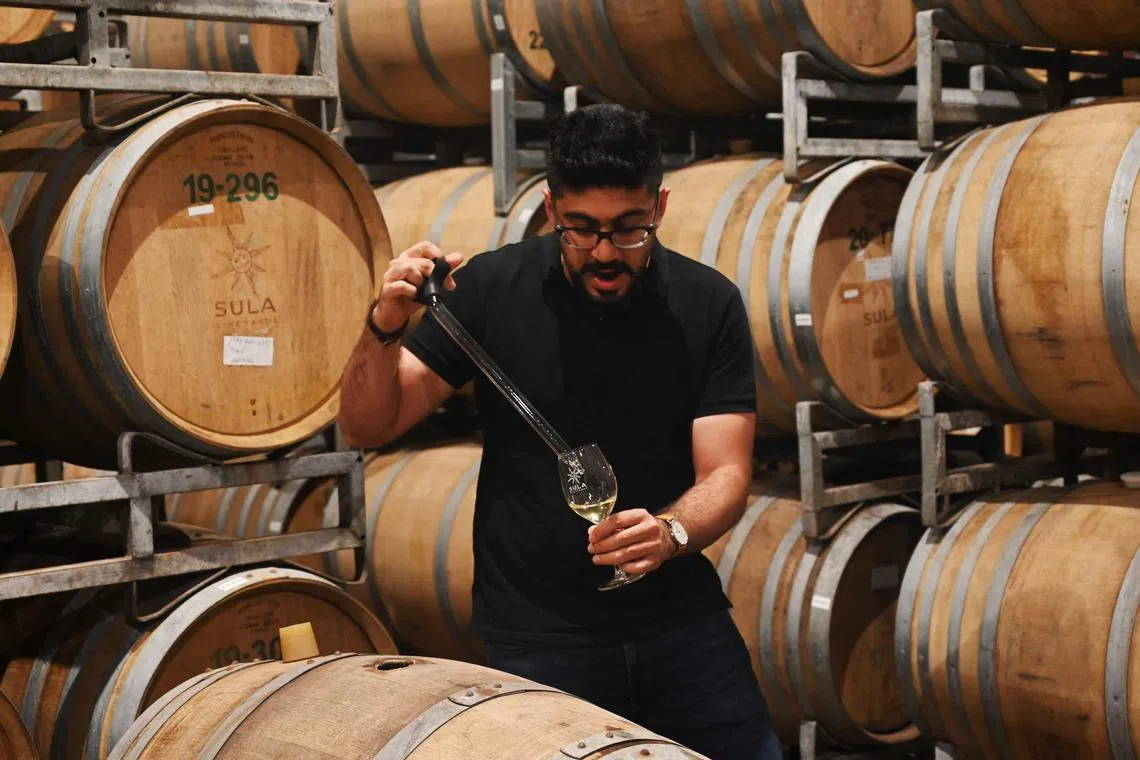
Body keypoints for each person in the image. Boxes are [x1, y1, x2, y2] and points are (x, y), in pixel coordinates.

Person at [338, 103, 783, 760]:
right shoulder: (489, 289)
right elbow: (366, 425)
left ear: (658, 205)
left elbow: (725, 472)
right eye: (582, 230)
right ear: (550, 207)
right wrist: (383, 326)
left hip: (680, 624)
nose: (606, 252)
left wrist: (670, 533)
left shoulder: (706, 302)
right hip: (538, 635)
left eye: (630, 230)